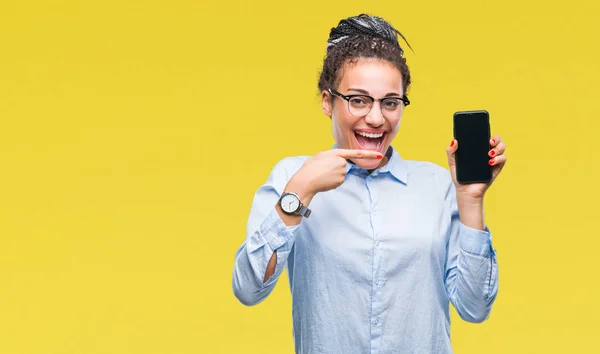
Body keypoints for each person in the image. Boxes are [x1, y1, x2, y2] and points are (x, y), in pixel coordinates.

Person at [232, 13, 507, 354]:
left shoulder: (438, 185)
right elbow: (248, 288)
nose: (376, 118)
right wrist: (299, 192)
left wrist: (470, 200)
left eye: (390, 102)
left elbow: (475, 308)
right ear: (327, 101)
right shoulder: (293, 176)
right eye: (358, 100)